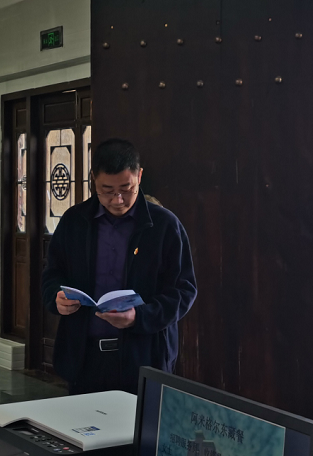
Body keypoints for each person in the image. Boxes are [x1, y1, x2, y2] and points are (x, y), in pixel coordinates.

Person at [40, 139, 196, 394]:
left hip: (143, 357)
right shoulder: (74, 221)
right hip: (84, 359)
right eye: (107, 190)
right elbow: (52, 274)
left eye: (126, 189)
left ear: (139, 176)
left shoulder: (164, 226)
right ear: (93, 179)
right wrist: (55, 297)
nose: (117, 200)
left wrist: (140, 316)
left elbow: (184, 290)